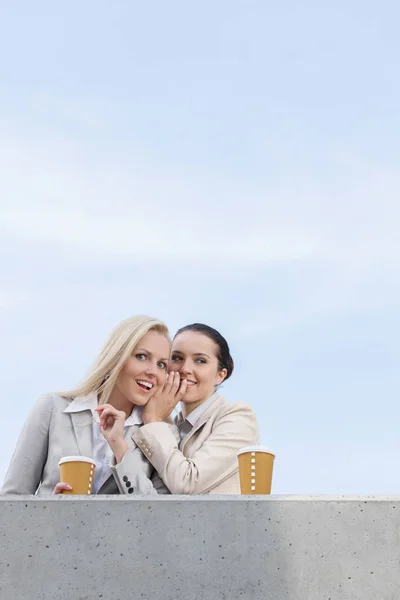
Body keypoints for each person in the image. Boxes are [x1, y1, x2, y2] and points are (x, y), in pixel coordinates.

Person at [0, 315, 178, 496]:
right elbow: (12, 500)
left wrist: (119, 447)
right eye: (141, 356)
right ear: (116, 356)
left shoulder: (162, 434)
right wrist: (49, 509)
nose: (153, 372)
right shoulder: (53, 408)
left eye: (162, 365)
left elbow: (157, 513)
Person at [124, 323, 259, 494]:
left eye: (200, 361)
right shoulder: (172, 426)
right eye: (177, 358)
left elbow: (188, 483)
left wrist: (152, 421)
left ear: (220, 375)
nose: (185, 369)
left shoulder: (237, 417)